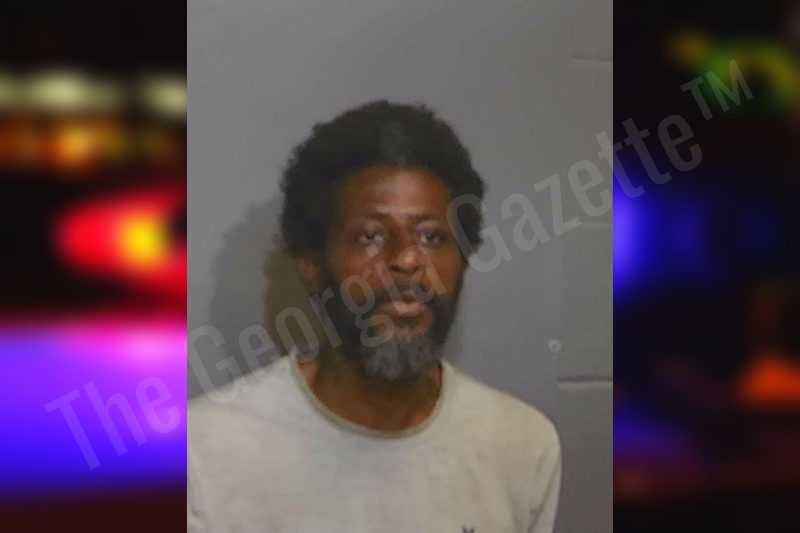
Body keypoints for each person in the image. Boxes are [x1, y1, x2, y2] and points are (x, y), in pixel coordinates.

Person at [187, 101, 561, 533]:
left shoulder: (523, 445)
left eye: (431, 236)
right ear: (311, 263)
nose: (407, 259)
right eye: (370, 235)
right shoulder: (202, 454)